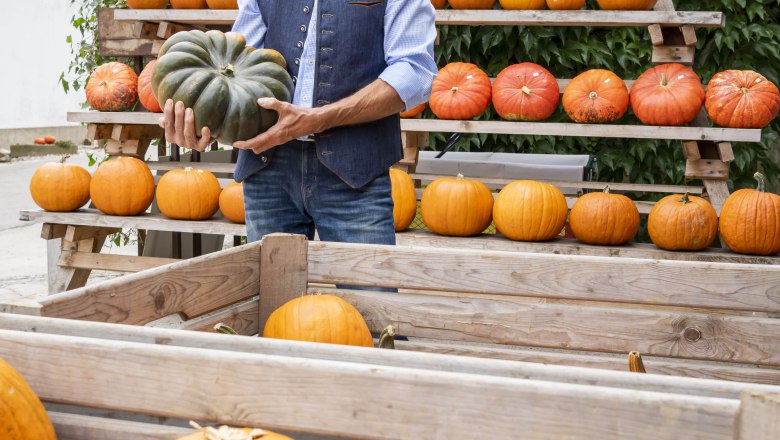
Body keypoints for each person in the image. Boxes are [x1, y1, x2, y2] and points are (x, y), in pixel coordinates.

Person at [160, 0, 437, 248]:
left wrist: (320, 118)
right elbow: (241, 64)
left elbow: (415, 70)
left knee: (368, 298)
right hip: (268, 171)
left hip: (356, 172)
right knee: (274, 299)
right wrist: (206, 124)